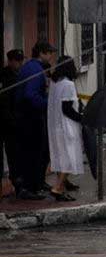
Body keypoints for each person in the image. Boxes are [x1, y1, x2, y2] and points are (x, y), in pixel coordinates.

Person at [15, 41, 56, 200]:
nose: (52, 56)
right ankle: (28, 187)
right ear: (42, 53)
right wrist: (49, 104)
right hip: (29, 117)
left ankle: (38, 182)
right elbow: (30, 95)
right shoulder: (34, 69)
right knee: (33, 153)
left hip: (29, 116)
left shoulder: (33, 67)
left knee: (41, 151)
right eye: (49, 53)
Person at [46, 56, 83, 202]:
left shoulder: (55, 83)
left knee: (61, 158)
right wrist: (82, 118)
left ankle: (61, 186)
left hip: (56, 127)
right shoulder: (68, 85)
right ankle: (57, 188)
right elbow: (67, 109)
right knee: (69, 158)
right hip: (67, 127)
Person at [0, 49, 24, 196]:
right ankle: (17, 183)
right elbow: (5, 104)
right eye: (18, 61)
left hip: (14, 121)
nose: (20, 64)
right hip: (8, 123)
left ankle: (18, 183)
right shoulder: (6, 77)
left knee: (16, 154)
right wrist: (13, 121)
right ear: (11, 61)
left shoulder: (17, 75)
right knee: (13, 154)